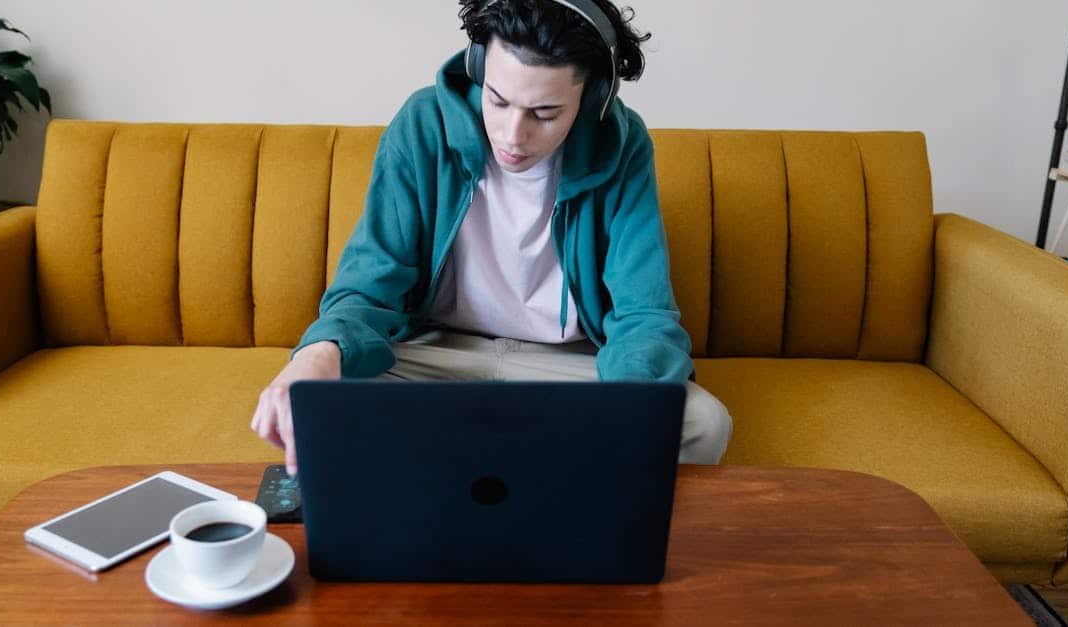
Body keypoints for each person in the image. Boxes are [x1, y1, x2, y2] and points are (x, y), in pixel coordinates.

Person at [251, 0, 733, 475]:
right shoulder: (423, 125)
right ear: (479, 68)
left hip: (566, 366)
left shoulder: (621, 146)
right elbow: (370, 283)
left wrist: (629, 404)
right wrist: (320, 353)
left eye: (544, 113)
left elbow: (644, 312)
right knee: (320, 403)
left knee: (702, 424)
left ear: (590, 100)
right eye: (498, 101)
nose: (512, 136)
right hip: (432, 353)